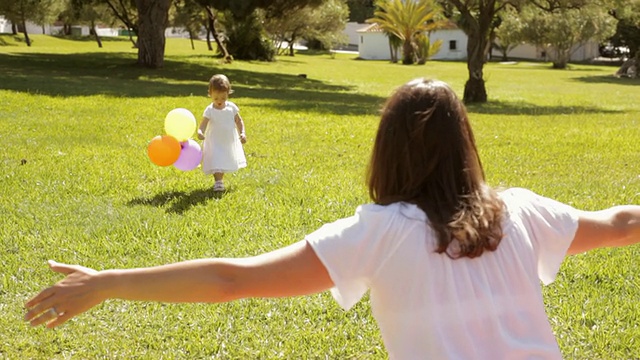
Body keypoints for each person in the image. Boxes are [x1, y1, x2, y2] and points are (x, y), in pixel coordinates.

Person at [25, 79, 640, 359]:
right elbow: (622, 222)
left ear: (387, 149)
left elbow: (231, 280)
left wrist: (107, 282)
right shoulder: (524, 211)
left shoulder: (378, 232)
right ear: (465, 144)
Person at [196, 74, 247, 192]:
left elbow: (238, 120)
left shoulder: (231, 107)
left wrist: (242, 132)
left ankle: (220, 179)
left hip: (228, 140)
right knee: (216, 159)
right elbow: (204, 123)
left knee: (224, 158)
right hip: (214, 141)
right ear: (210, 94)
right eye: (216, 98)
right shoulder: (210, 110)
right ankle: (218, 181)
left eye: (223, 98)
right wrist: (200, 131)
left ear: (228, 93)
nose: (219, 101)